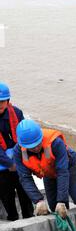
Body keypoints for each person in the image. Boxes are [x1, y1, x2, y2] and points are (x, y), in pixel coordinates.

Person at [14, 120, 76, 218]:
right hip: (48, 171)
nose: (35, 149)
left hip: (67, 166)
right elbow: (25, 177)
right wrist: (38, 200)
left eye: (38, 144)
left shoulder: (55, 143)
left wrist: (62, 200)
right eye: (32, 147)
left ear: (41, 137)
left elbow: (62, 172)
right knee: (53, 206)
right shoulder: (19, 152)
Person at [0, 82, 34, 221]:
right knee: (6, 193)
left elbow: (24, 137)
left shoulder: (17, 113)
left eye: (2, 101)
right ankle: (12, 218)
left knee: (24, 189)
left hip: (17, 157)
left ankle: (29, 216)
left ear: (7, 101)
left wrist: (20, 160)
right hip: (2, 164)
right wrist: (9, 164)